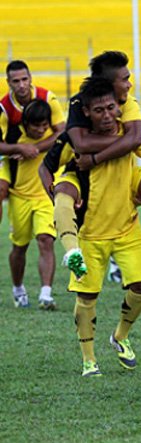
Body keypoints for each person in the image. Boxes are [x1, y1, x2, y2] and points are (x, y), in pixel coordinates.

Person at [45, 51, 141, 281]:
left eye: (129, 77)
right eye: (124, 79)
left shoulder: (129, 103)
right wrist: (125, 140)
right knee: (64, 191)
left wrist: (97, 157)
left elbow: (138, 142)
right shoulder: (79, 102)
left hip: (123, 183)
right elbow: (81, 143)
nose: (129, 84)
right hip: (85, 185)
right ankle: (71, 249)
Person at [59, 77, 141, 377]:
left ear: (118, 107)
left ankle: (120, 336)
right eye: (98, 110)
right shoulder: (76, 140)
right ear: (86, 112)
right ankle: (89, 360)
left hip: (127, 226)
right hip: (90, 232)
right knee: (87, 297)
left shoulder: (132, 130)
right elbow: (54, 165)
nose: (106, 115)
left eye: (111, 108)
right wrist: (62, 191)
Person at [0, 100, 56, 309]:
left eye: (44, 125)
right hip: (19, 197)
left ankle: (46, 294)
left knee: (46, 240)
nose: (41, 130)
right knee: (19, 247)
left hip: (45, 197)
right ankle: (18, 289)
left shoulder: (53, 137)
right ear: (25, 124)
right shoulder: (14, 137)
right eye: (36, 126)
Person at [0, 59, 65, 224]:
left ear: (30, 78)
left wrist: (35, 148)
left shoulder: (48, 98)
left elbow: (62, 131)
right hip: (10, 160)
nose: (21, 85)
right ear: (8, 83)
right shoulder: (4, 108)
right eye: (16, 81)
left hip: (43, 157)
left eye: (24, 79)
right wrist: (20, 148)